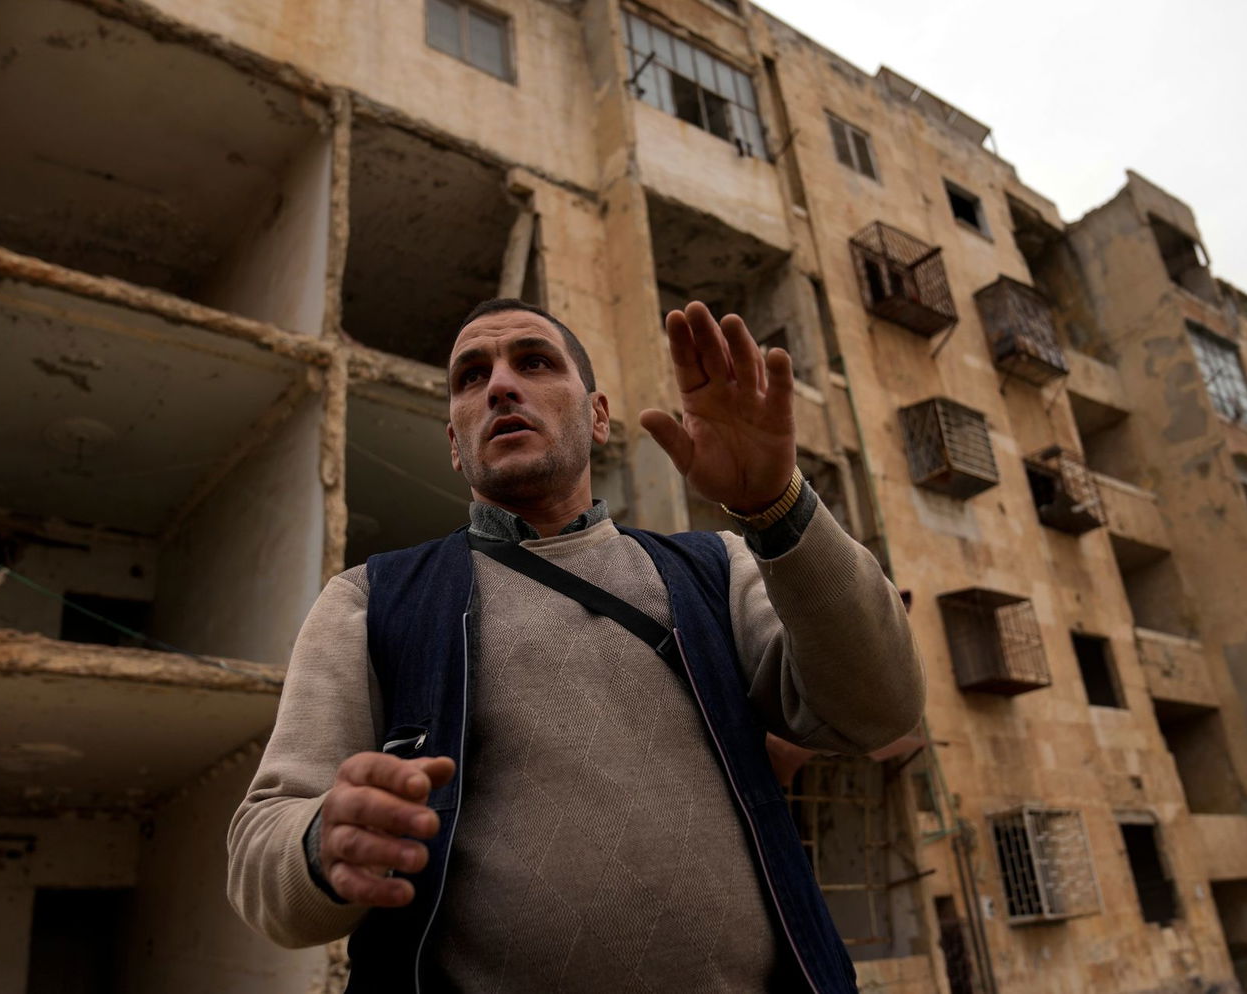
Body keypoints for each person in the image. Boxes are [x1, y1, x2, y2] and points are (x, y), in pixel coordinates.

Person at [228, 298, 923, 993]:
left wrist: (777, 502)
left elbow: (878, 709)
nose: (500, 384)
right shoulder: (371, 600)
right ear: (454, 441)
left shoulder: (718, 569)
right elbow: (262, 851)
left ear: (597, 416)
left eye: (533, 361)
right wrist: (325, 841)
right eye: (471, 377)